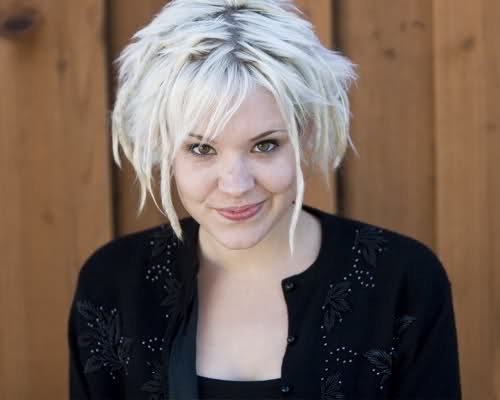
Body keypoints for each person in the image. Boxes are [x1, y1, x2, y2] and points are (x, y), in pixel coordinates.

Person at [68, 0, 462, 399]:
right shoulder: (114, 284)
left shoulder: (402, 280)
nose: (236, 184)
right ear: (164, 147)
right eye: (202, 149)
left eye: (265, 145)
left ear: (305, 135)